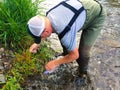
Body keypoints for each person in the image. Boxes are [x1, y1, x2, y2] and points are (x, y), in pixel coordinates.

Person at [27, 0, 106, 86]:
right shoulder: (48, 17)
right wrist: (37, 43)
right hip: (82, 9)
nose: (41, 38)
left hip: (96, 16)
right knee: (65, 39)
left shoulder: (63, 30)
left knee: (83, 53)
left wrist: (55, 63)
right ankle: (65, 55)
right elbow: (48, 31)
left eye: (41, 36)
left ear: (46, 31)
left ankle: (82, 74)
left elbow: (75, 55)